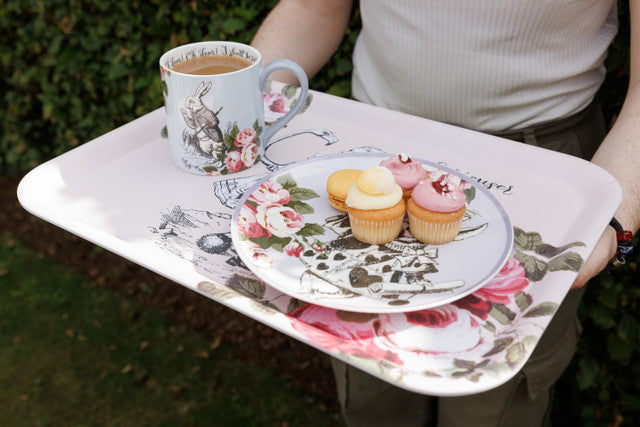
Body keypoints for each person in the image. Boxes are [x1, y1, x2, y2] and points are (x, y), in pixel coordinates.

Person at [251, 1, 640, 426]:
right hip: (377, 160)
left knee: (491, 406)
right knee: (372, 390)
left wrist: (613, 216)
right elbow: (314, 7)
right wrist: (239, 110)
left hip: (539, 163)